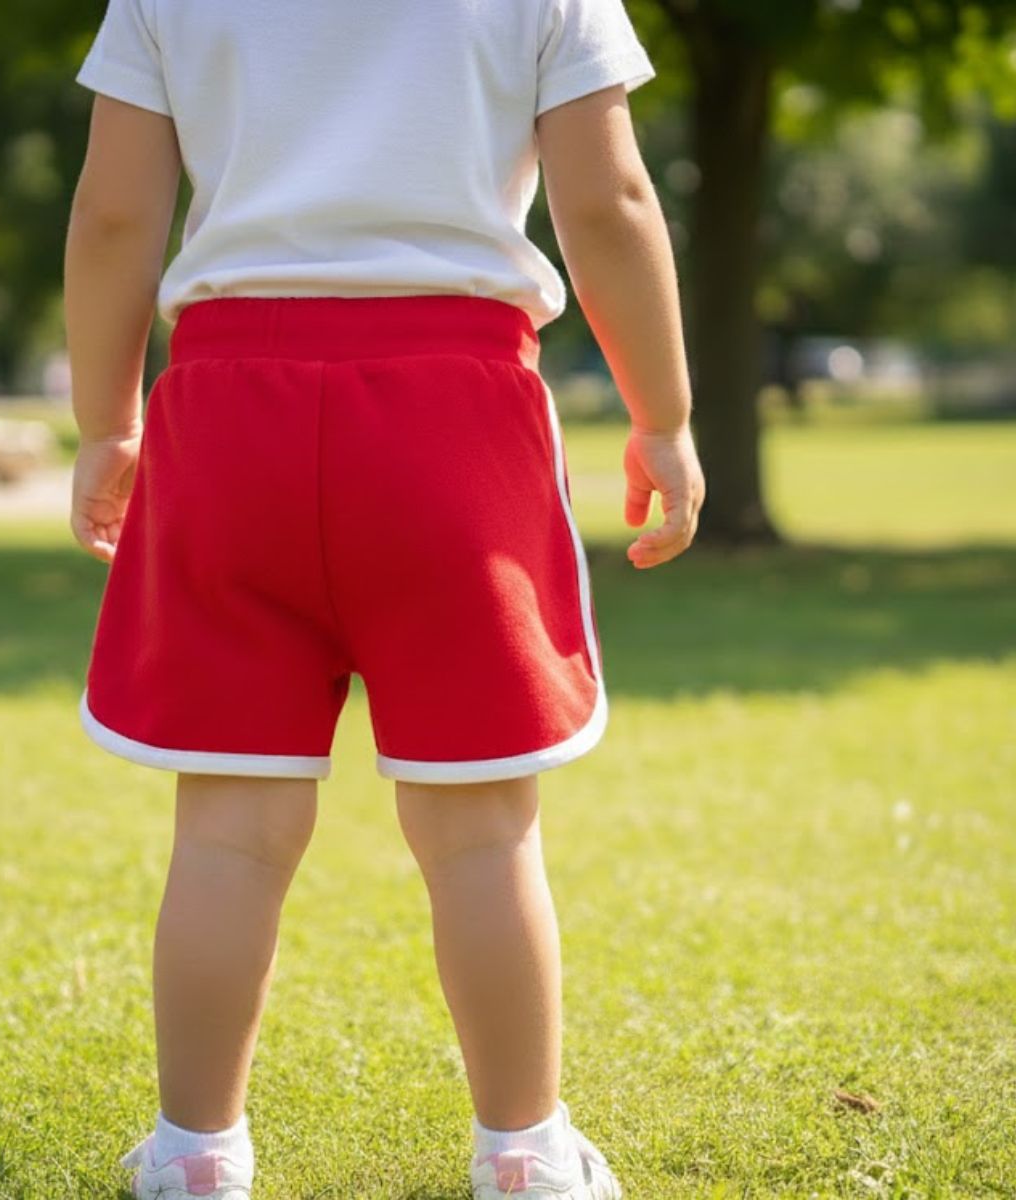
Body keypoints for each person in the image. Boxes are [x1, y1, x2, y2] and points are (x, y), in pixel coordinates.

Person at [64, 1, 704, 1196]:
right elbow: (609, 205)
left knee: (227, 827)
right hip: (452, 413)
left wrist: (107, 422)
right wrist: (661, 414)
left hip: (230, 410)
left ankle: (196, 1155)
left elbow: (113, 216)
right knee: (482, 829)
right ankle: (524, 1153)